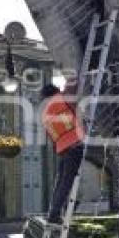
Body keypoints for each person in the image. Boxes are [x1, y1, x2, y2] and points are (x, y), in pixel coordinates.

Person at [40, 83, 84, 224]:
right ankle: (65, 209)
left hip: (63, 149)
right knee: (69, 182)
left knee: (61, 183)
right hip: (75, 144)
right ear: (56, 90)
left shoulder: (46, 113)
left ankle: (54, 212)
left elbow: (52, 137)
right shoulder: (63, 98)